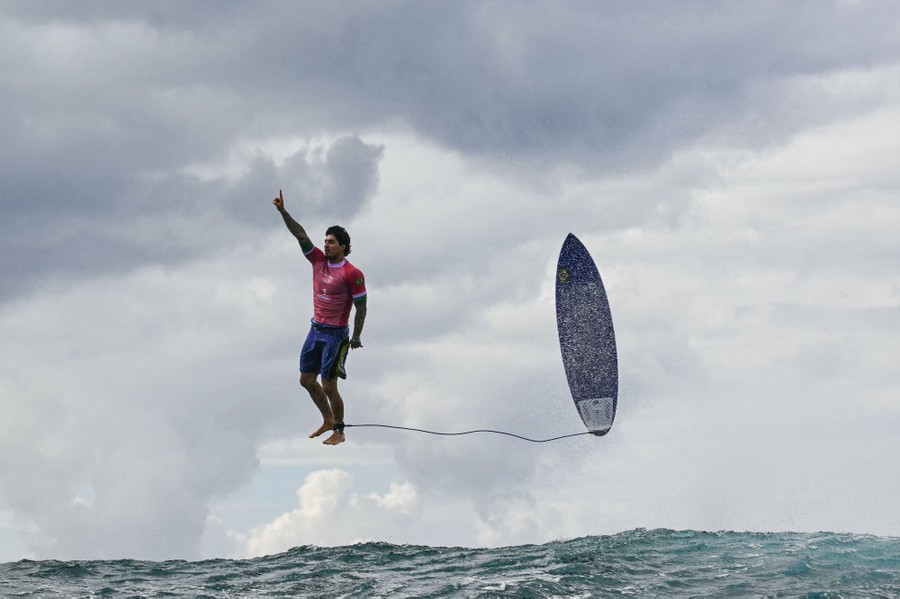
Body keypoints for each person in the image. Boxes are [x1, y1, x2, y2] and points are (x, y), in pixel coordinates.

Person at [273, 189, 367, 446]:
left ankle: (339, 430)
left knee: (328, 384)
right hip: (315, 329)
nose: (326, 245)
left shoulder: (352, 273)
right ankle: (327, 419)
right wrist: (283, 212)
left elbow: (362, 307)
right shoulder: (317, 261)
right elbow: (300, 234)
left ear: (344, 247)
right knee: (306, 380)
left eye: (331, 242)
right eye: (325, 241)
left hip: (336, 335)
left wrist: (356, 336)